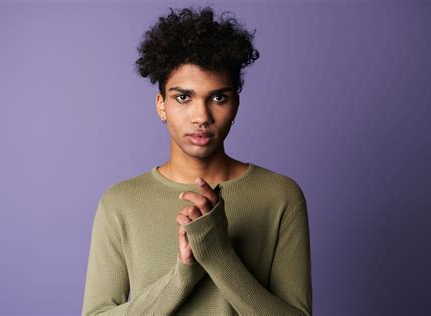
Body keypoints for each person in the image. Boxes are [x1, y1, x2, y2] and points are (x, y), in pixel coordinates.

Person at [82, 5, 312, 315]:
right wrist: (182, 277)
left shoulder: (280, 195)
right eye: (183, 97)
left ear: (236, 104)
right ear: (161, 104)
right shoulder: (119, 203)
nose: (201, 117)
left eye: (218, 97)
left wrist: (218, 254)